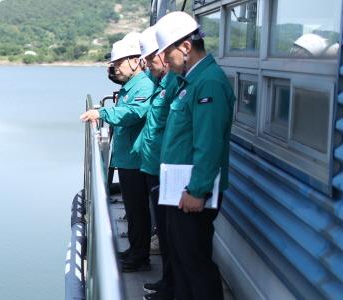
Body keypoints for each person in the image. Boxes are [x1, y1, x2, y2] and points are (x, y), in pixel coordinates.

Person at [154, 11, 236, 300]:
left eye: (167, 53)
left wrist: (197, 190)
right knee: (180, 260)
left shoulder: (208, 83)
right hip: (178, 190)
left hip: (192, 193)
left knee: (195, 263)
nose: (164, 60)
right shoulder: (189, 81)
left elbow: (209, 142)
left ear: (186, 48)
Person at [80, 35, 155, 272]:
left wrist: (103, 114)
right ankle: (135, 250)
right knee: (133, 210)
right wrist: (104, 109)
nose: (115, 69)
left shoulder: (143, 86)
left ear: (135, 61)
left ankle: (140, 257)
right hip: (127, 157)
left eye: (119, 63)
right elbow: (124, 108)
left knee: (138, 211)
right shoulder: (129, 87)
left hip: (136, 159)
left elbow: (134, 113)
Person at [134, 25, 178, 300]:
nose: (148, 65)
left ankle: (172, 285)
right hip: (154, 167)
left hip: (166, 171)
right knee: (164, 232)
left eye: (151, 59)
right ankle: (167, 281)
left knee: (172, 235)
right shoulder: (161, 82)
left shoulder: (173, 83)